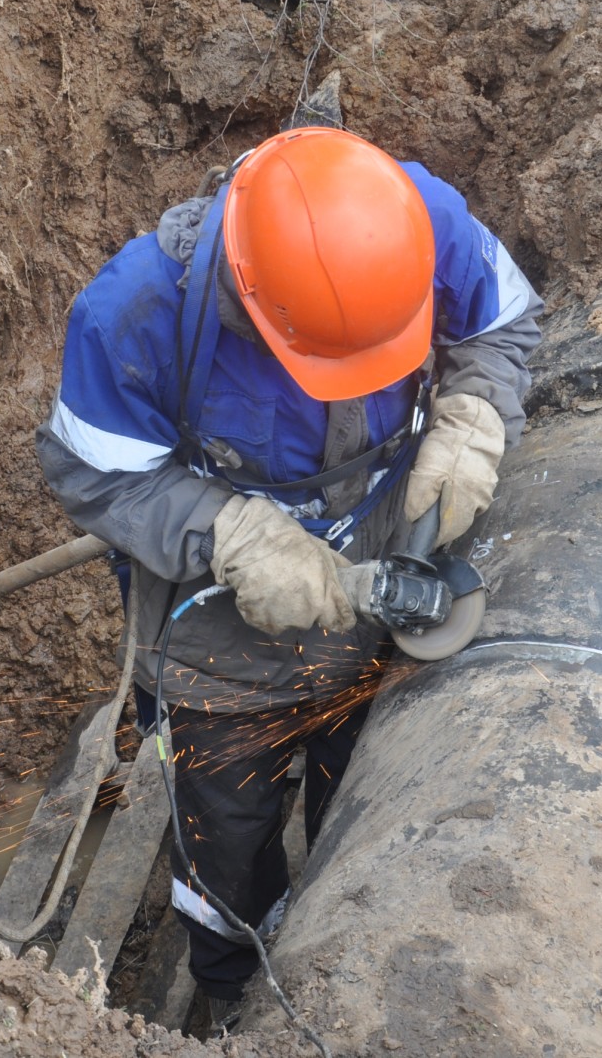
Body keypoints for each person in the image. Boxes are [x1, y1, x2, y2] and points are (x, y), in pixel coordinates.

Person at [35, 125, 543, 1010]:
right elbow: (92, 469)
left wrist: (472, 411)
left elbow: (501, 318)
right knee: (225, 841)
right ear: (251, 297)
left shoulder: (412, 219)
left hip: (385, 546)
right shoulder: (139, 311)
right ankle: (233, 991)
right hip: (221, 621)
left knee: (370, 795)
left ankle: (341, 952)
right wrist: (226, 531)